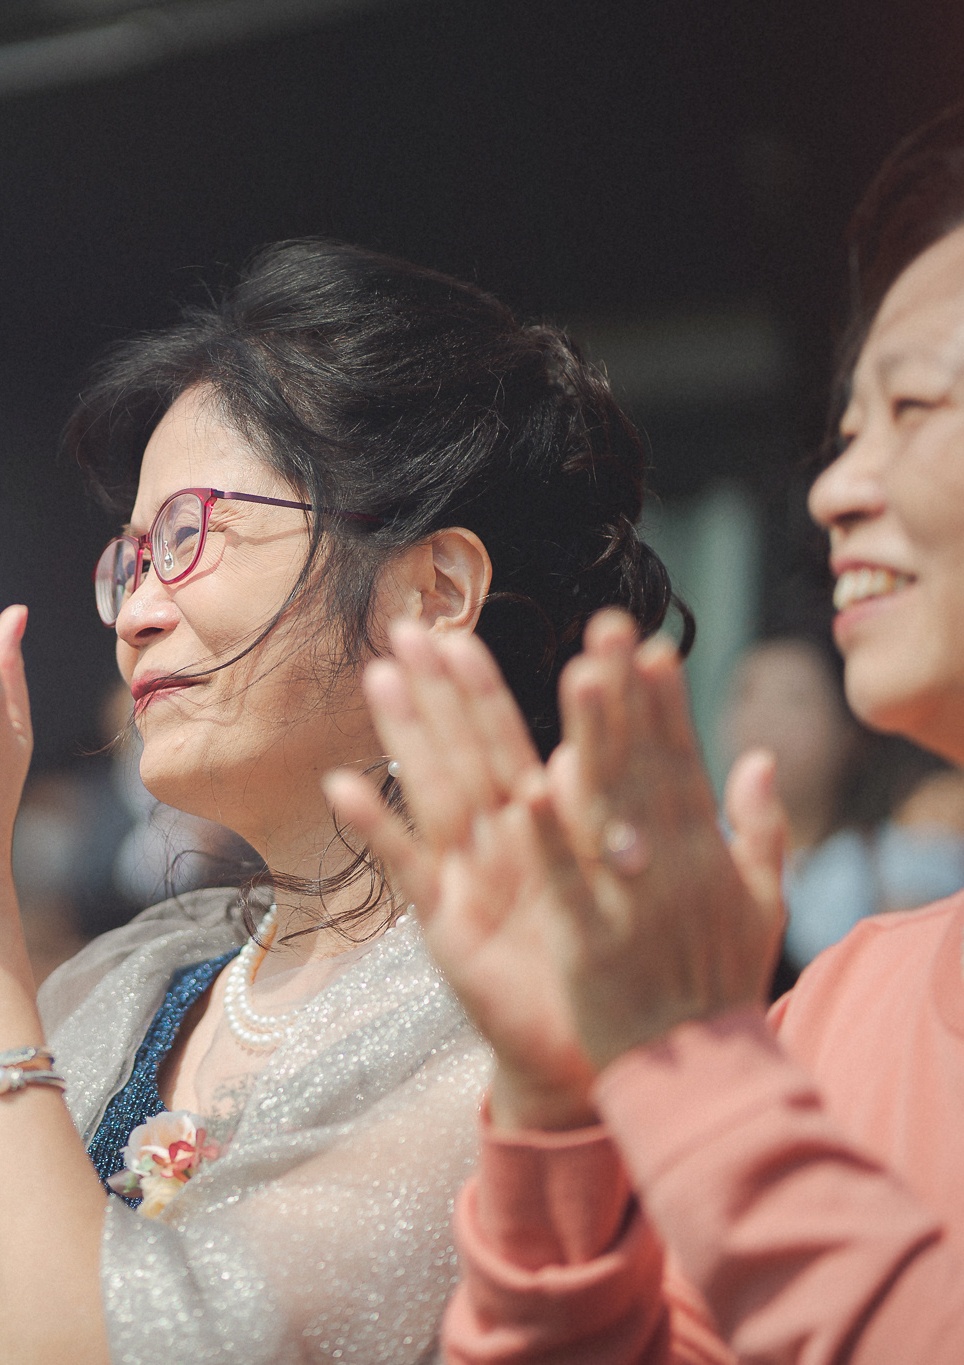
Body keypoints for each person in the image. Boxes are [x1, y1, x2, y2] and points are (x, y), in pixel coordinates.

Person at [0, 241, 688, 1363]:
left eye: (189, 535)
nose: (134, 611)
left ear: (432, 589)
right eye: (130, 556)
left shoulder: (540, 1008)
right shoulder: (138, 977)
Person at [336, 104, 964, 1364]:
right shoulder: (848, 994)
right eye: (844, 432)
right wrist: (555, 1112)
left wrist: (683, 1060)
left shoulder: (748, 1037)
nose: (837, 489)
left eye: (913, 410)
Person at [723, 635, 964, 970]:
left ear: (849, 733)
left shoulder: (905, 861)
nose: (765, 717)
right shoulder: (701, 850)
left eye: (795, 699)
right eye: (747, 693)